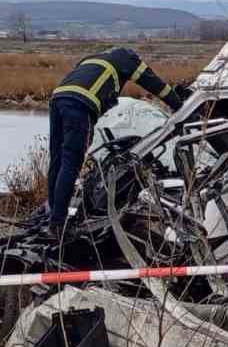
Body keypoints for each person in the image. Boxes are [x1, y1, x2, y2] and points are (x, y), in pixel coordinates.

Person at [46, 47, 186, 227]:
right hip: (80, 104)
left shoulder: (92, 57)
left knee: (57, 160)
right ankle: (57, 223)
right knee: (71, 162)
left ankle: (52, 214)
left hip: (58, 99)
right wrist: (178, 104)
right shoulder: (126, 59)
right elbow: (155, 84)